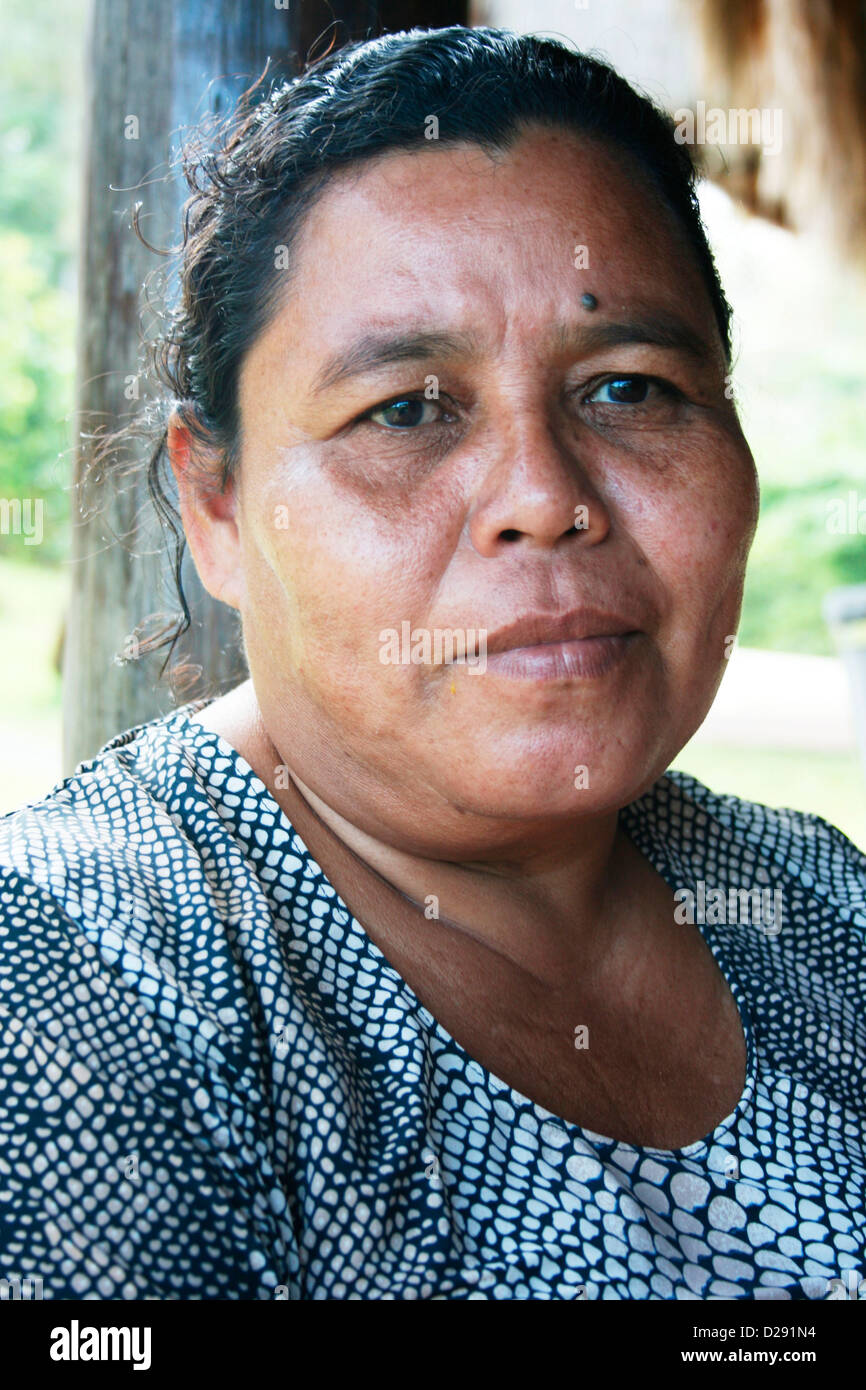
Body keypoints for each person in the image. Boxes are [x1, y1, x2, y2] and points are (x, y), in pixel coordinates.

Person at [1, 25, 864, 1302]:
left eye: (628, 389)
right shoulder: (74, 981)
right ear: (217, 507)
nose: (543, 498)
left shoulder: (823, 907)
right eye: (404, 409)